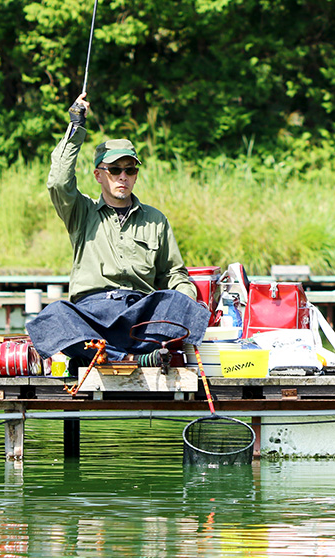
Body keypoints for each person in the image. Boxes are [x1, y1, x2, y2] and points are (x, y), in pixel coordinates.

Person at [23, 93, 209, 365]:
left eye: (130, 170)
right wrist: (76, 127)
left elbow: (174, 273)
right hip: (93, 316)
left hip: (141, 318)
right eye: (114, 169)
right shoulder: (81, 212)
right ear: (99, 175)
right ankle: (129, 359)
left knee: (180, 304)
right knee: (53, 317)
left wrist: (186, 299)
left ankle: (111, 356)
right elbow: (59, 182)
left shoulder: (156, 220)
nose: (123, 176)